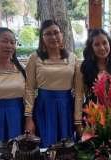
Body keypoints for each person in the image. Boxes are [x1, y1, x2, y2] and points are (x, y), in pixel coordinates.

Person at [24, 20, 82, 148]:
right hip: (43, 108)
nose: (53, 37)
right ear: (42, 38)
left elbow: (78, 93)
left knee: (66, 148)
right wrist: (28, 119)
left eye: (56, 32)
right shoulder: (35, 58)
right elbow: (29, 89)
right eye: (48, 34)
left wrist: (78, 121)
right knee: (45, 147)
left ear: (62, 35)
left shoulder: (72, 58)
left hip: (66, 108)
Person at [76, 28, 111, 136]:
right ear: (91, 48)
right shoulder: (83, 68)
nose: (102, 47)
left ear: (109, 44)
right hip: (92, 115)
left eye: (104, 43)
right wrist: (78, 124)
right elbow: (79, 96)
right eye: (97, 44)